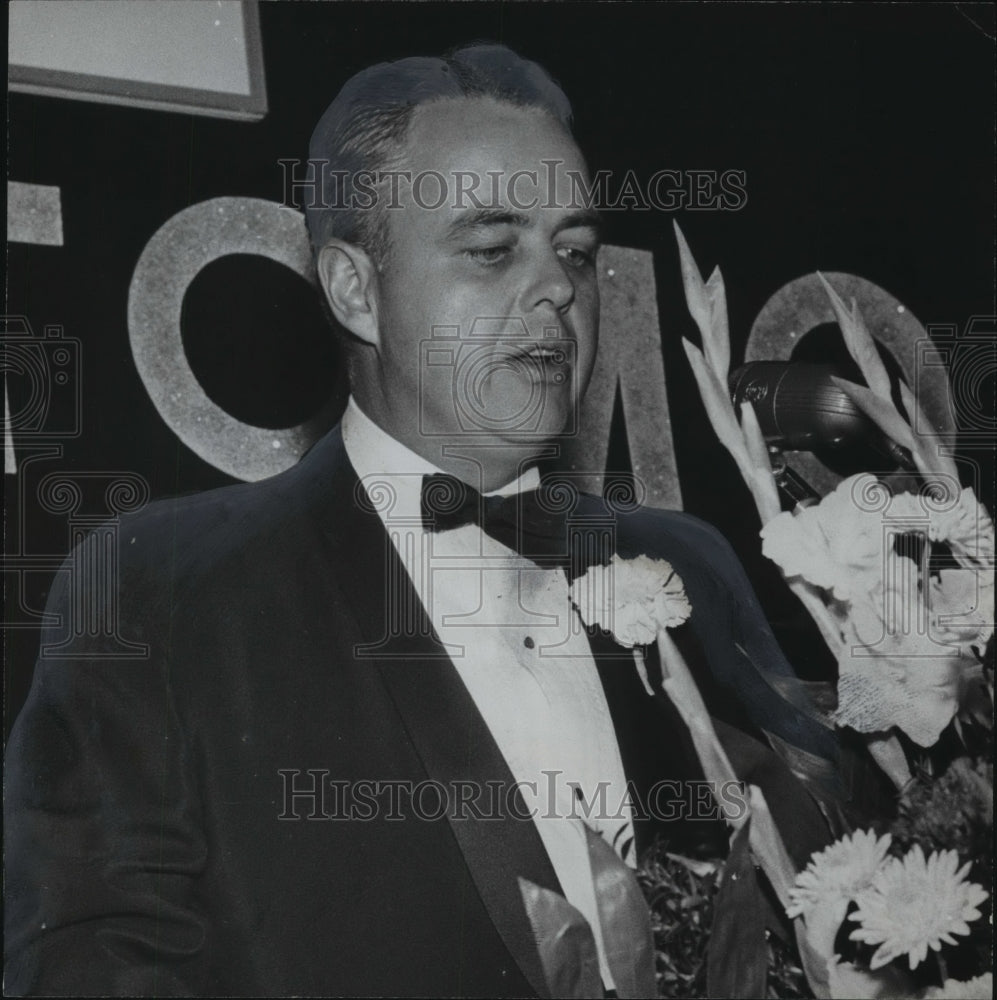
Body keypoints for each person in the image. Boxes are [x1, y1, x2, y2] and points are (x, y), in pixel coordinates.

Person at [5, 43, 838, 997]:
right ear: (355, 289)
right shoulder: (159, 591)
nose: (560, 289)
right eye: (492, 249)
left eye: (572, 251)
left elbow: (829, 897)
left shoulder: (690, 563)